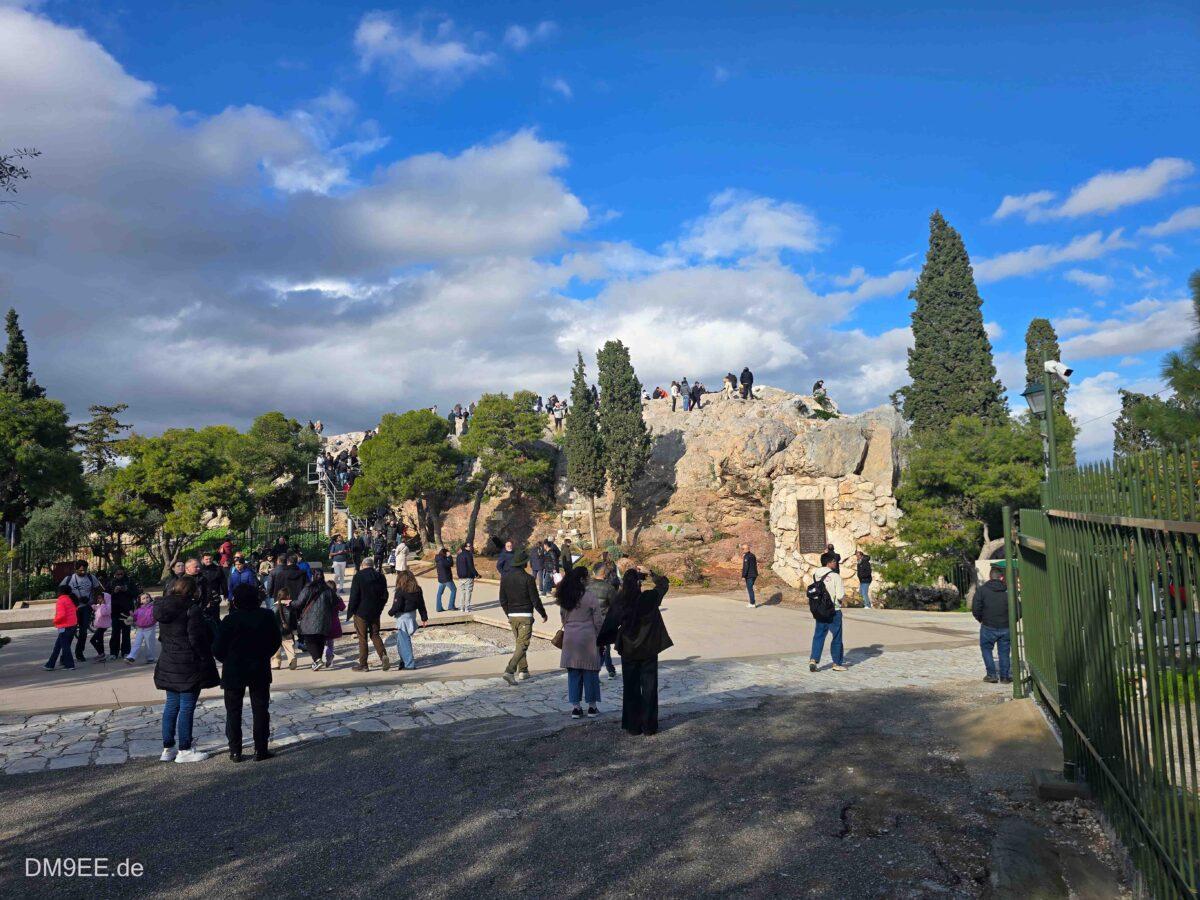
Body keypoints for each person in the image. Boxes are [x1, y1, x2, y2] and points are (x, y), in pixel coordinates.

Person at [212, 583, 282, 762]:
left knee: (233, 711)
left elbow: (217, 647)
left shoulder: (230, 620)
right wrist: (264, 654)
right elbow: (276, 639)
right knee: (260, 709)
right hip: (258, 666)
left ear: (236, 601)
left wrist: (227, 659)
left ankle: (235, 750)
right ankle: (261, 748)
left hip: (234, 668)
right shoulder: (266, 616)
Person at [154, 577, 219, 763]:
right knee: (186, 706)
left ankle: (168, 748)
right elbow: (196, 638)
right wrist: (205, 657)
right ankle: (185, 749)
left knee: (171, 705)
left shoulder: (162, 607)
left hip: (168, 660)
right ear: (192, 591)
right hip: (188, 662)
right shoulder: (191, 608)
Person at [600, 567, 671, 736]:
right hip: (649, 648)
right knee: (650, 687)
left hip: (628, 649)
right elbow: (663, 584)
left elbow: (609, 624)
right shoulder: (650, 598)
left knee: (631, 687)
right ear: (639, 583)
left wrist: (606, 641)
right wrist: (652, 573)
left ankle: (633, 726)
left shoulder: (621, 601)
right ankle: (649, 726)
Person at [558, 566, 603, 718]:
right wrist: (600, 636)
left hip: (570, 638)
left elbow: (563, 617)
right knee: (590, 673)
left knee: (573, 673)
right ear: (583, 579)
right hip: (588, 637)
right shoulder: (590, 596)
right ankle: (592, 707)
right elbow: (598, 620)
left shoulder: (565, 596)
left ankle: (576, 708)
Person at [499, 550, 547, 684]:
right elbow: (535, 599)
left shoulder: (505, 578)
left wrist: (508, 613)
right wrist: (543, 613)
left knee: (519, 644)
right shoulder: (528, 579)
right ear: (524, 564)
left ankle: (523, 670)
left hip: (512, 615)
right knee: (523, 644)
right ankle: (509, 671)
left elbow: (502, 600)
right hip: (525, 615)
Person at [347, 557, 391, 672]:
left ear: (363, 565)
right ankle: (383, 656)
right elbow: (385, 595)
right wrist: (380, 607)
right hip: (375, 611)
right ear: (372, 565)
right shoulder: (380, 576)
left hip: (361, 612)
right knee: (375, 634)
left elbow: (354, 595)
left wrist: (351, 611)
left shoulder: (358, 576)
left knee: (362, 638)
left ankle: (363, 665)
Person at [809, 553, 847, 673]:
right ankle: (836, 663)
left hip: (820, 610)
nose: (836, 563)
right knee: (836, 636)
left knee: (819, 635)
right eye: (834, 561)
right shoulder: (836, 576)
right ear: (829, 562)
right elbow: (840, 595)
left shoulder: (816, 574)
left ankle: (813, 659)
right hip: (833, 610)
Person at [292, 570, 337, 671]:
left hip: (309, 618)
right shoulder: (328, 590)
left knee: (309, 641)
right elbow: (335, 603)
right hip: (325, 619)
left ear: (313, 577)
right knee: (320, 640)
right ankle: (317, 661)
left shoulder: (308, 588)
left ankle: (317, 660)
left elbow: (299, 603)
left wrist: (290, 603)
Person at [974, 566, 1012, 684]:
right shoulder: (1008, 591)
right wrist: (1011, 621)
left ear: (990, 577)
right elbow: (1018, 609)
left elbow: (976, 608)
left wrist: (981, 619)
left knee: (986, 649)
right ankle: (1004, 677)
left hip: (988, 626)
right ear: (1001, 578)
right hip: (1006, 626)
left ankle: (991, 675)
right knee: (1004, 652)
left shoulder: (982, 590)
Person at [388, 569, 428, 670]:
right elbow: (421, 604)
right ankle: (403, 661)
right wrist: (424, 618)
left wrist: (390, 612)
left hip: (403, 618)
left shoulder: (400, 590)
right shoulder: (417, 589)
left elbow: (397, 606)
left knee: (404, 642)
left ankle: (409, 664)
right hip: (412, 616)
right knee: (400, 642)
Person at [590, 563, 619, 678]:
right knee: (604, 648)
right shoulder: (609, 588)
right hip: (604, 622)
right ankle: (600, 672)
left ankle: (609, 669)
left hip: (589, 622)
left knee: (596, 649)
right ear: (605, 574)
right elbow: (616, 607)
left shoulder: (586, 587)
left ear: (593, 572)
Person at [106, 568, 139, 660]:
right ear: (114, 574)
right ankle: (113, 652)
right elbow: (106, 596)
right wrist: (114, 592)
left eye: (121, 574)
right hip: (115, 610)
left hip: (127, 610)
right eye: (118, 574)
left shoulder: (129, 581)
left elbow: (136, 593)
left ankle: (126, 651)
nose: (120, 576)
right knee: (115, 632)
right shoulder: (111, 583)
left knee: (126, 632)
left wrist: (126, 590)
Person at [43, 592, 78, 671]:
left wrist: (55, 621)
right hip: (72, 625)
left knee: (64, 647)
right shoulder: (71, 599)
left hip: (64, 626)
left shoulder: (61, 600)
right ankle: (50, 664)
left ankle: (69, 665)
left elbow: (61, 615)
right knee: (58, 646)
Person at [125, 593, 158, 665]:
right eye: (143, 598)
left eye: (147, 597)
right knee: (136, 643)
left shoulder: (153, 607)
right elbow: (135, 618)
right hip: (140, 629)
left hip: (150, 628)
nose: (146, 599)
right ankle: (131, 657)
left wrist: (153, 620)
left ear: (150, 598)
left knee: (149, 644)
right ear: (140, 601)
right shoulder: (138, 609)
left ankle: (150, 658)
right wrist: (132, 616)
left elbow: (156, 615)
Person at [197, 552, 227, 619]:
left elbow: (223, 581)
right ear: (203, 560)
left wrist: (225, 593)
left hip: (214, 595)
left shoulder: (218, 569)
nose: (209, 560)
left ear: (212, 558)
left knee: (215, 615)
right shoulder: (199, 570)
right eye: (206, 559)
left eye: (210, 559)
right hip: (203, 596)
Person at [456, 542, 480, 613]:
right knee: (468, 592)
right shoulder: (469, 555)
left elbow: (457, 566)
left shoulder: (459, 555)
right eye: (469, 546)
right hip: (468, 576)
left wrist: (459, 574)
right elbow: (471, 566)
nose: (470, 547)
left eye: (470, 546)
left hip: (461, 576)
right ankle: (467, 608)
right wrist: (476, 574)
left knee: (462, 592)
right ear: (465, 547)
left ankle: (461, 607)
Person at [89, 591, 112, 662]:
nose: (99, 600)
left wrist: (103, 605)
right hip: (100, 626)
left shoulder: (108, 606)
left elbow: (103, 613)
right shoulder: (101, 605)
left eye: (100, 598)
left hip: (103, 626)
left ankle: (101, 653)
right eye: (98, 598)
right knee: (100, 640)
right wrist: (94, 606)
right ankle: (101, 654)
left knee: (92, 640)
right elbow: (96, 608)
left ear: (105, 598)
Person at [434, 547, 457, 612]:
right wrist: (449, 556)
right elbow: (451, 564)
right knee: (454, 590)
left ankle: (438, 608)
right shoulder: (443, 560)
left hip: (441, 579)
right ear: (445, 553)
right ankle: (451, 606)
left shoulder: (438, 558)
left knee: (439, 593)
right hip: (447, 579)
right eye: (447, 552)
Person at [741, 543, 759, 608]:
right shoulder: (752, 555)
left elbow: (746, 567)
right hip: (754, 574)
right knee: (750, 588)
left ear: (746, 549)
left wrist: (743, 576)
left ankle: (752, 603)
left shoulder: (746, 556)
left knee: (750, 589)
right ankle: (752, 602)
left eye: (743, 549)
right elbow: (755, 565)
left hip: (749, 575)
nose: (742, 550)